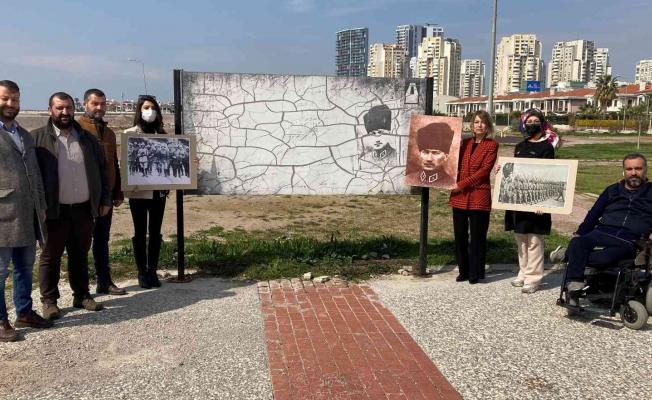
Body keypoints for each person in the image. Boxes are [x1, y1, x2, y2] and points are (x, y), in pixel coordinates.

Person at [32, 92, 111, 319]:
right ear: (50, 110)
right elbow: (32, 177)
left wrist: (104, 200)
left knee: (79, 254)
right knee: (50, 257)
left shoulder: (87, 139)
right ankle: (49, 301)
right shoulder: (36, 139)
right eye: (59, 108)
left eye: (68, 107)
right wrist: (37, 207)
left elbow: (102, 172)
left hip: (83, 209)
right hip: (53, 211)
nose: (65, 112)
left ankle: (81, 295)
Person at [551, 153, 652, 296]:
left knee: (604, 258)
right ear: (624, 171)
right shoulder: (612, 190)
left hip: (629, 240)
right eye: (629, 169)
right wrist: (580, 233)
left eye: (638, 168)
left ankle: (568, 254)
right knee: (577, 242)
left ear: (645, 169)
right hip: (602, 232)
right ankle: (574, 285)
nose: (633, 173)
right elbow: (593, 214)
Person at [0, 80, 53, 341]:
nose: (11, 104)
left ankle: (24, 311)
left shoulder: (24, 134)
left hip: (28, 213)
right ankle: (1, 321)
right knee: (0, 271)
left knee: (24, 266)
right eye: (5, 99)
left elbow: (35, 174)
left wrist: (41, 205)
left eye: (15, 99)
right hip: (3, 214)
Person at [78, 89, 126, 295]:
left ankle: (104, 281)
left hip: (106, 198)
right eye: (95, 103)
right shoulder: (77, 129)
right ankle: (81, 290)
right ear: (85, 104)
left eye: (102, 104)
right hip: (84, 198)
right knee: (80, 244)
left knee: (102, 241)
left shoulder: (109, 133)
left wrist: (118, 190)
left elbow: (113, 164)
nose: (99, 108)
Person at [505, 108, 555, 294]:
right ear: (524, 124)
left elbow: (549, 175)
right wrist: (503, 171)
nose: (532, 124)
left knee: (534, 240)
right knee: (521, 238)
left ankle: (533, 278)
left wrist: (543, 202)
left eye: (536, 121)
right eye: (529, 121)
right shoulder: (520, 146)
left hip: (537, 200)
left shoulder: (547, 148)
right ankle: (523, 272)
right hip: (519, 200)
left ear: (542, 124)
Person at [449, 110, 499, 284]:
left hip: (479, 195)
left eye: (483, 122)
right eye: (476, 122)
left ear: (488, 126)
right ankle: (463, 270)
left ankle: (475, 273)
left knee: (477, 236)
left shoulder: (492, 145)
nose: (479, 125)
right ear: (471, 125)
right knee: (460, 235)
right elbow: (451, 163)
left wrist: (461, 184)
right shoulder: (464, 143)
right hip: (459, 196)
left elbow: (484, 171)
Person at [124, 95, 167, 289]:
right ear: (139, 110)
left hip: (159, 193)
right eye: (146, 107)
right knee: (140, 232)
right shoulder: (130, 134)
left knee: (155, 232)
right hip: (139, 193)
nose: (150, 111)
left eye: (153, 107)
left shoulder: (163, 134)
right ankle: (142, 272)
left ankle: (153, 271)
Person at [405, 122, 456, 187]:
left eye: (435, 153)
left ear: (445, 157)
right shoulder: (409, 179)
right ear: (420, 154)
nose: (429, 159)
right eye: (425, 152)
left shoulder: (451, 184)